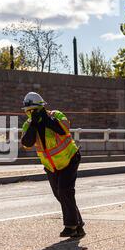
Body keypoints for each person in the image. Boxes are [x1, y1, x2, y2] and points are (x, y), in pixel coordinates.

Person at [20, 92, 85, 238]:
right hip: (51, 166)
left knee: (65, 190)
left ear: (41, 107)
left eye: (33, 110)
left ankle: (70, 226)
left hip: (69, 159)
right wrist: (34, 125)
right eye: (27, 111)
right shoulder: (28, 124)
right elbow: (26, 144)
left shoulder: (56, 115)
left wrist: (47, 120)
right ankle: (78, 225)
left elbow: (64, 130)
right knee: (60, 194)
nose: (30, 113)